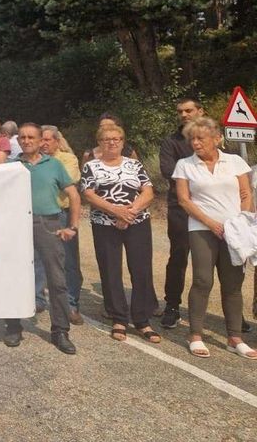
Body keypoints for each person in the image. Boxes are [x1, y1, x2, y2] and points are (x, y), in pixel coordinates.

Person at [172, 117, 257, 359]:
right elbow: (184, 200)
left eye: (201, 138)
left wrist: (239, 223)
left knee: (233, 284)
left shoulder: (235, 161)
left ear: (216, 138)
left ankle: (235, 338)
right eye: (192, 139)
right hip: (200, 228)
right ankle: (195, 334)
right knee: (202, 280)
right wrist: (210, 223)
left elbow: (245, 193)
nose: (196, 143)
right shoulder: (185, 165)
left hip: (234, 229)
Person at [5, 124, 79, 354]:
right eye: (23, 137)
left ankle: (60, 331)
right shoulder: (9, 166)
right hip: (17, 226)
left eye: (31, 137)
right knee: (15, 277)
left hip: (49, 224)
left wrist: (72, 227)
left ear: (40, 141)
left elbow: (74, 195)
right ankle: (13, 326)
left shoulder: (55, 164)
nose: (27, 141)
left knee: (56, 279)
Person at [81, 125, 159, 343]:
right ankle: (118, 318)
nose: (112, 142)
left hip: (137, 222)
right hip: (105, 224)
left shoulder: (135, 165)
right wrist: (116, 211)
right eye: (106, 139)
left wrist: (129, 213)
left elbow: (148, 191)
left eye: (116, 139)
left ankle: (142, 321)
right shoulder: (91, 167)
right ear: (100, 142)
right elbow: (89, 194)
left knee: (141, 270)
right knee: (110, 270)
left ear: (123, 142)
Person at [158, 98, 205, 329]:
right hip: (180, 209)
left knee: (217, 261)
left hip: (212, 208)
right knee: (178, 258)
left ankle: (233, 314)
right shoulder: (170, 142)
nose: (184, 115)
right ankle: (172, 306)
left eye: (189, 110)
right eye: (180, 112)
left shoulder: (213, 139)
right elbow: (169, 171)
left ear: (200, 111)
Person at [39, 126, 85, 324]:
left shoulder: (68, 159)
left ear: (58, 141)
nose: (44, 143)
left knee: (68, 261)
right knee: (39, 259)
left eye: (49, 140)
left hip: (62, 215)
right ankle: (38, 299)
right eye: (42, 140)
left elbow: (66, 180)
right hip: (40, 215)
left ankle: (72, 304)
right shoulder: (32, 160)